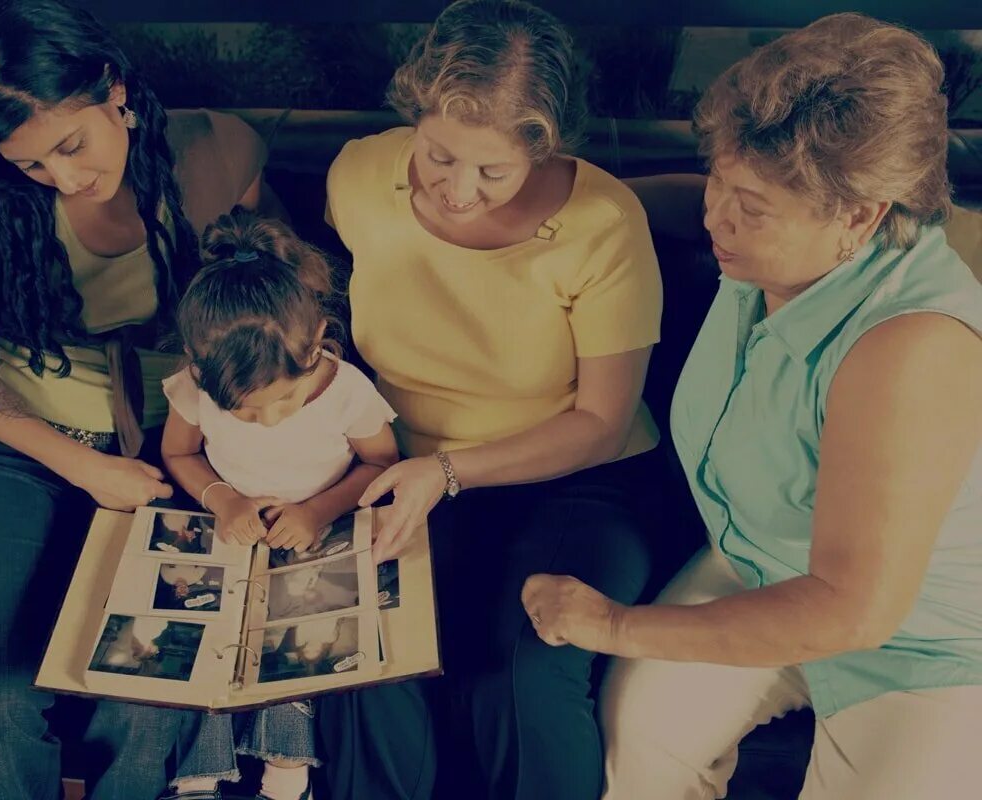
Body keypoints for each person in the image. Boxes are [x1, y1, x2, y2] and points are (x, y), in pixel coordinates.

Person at [518, 13, 982, 800]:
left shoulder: (912, 350)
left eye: (751, 206)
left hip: (925, 647)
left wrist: (614, 626)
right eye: (718, 181)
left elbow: (849, 610)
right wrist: (562, 219)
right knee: (638, 744)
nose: (714, 219)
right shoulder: (775, 253)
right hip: (758, 562)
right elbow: (672, 207)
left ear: (859, 216)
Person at [0, 1, 281, 798]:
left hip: (170, 446)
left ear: (113, 90)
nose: (64, 177)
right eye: (33, 165)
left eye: (70, 145)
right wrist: (84, 469)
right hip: (8, 442)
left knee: (147, 694)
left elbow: (271, 302)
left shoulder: (215, 154)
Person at [324, 2, 664, 797]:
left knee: (522, 671)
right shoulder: (358, 177)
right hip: (403, 470)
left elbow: (601, 422)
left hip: (577, 478)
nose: (457, 191)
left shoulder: (603, 224)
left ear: (541, 149)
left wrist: (449, 471)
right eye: (439, 156)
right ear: (415, 115)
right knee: (371, 656)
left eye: (493, 170)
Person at [159, 208, 401, 800]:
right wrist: (223, 500)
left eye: (282, 400)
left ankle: (286, 778)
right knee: (210, 651)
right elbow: (180, 454)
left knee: (296, 649)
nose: (266, 420)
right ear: (196, 366)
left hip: (318, 533)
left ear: (318, 346)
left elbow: (382, 463)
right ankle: (198, 777)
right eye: (243, 410)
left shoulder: (347, 392)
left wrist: (318, 511)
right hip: (229, 533)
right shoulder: (194, 385)